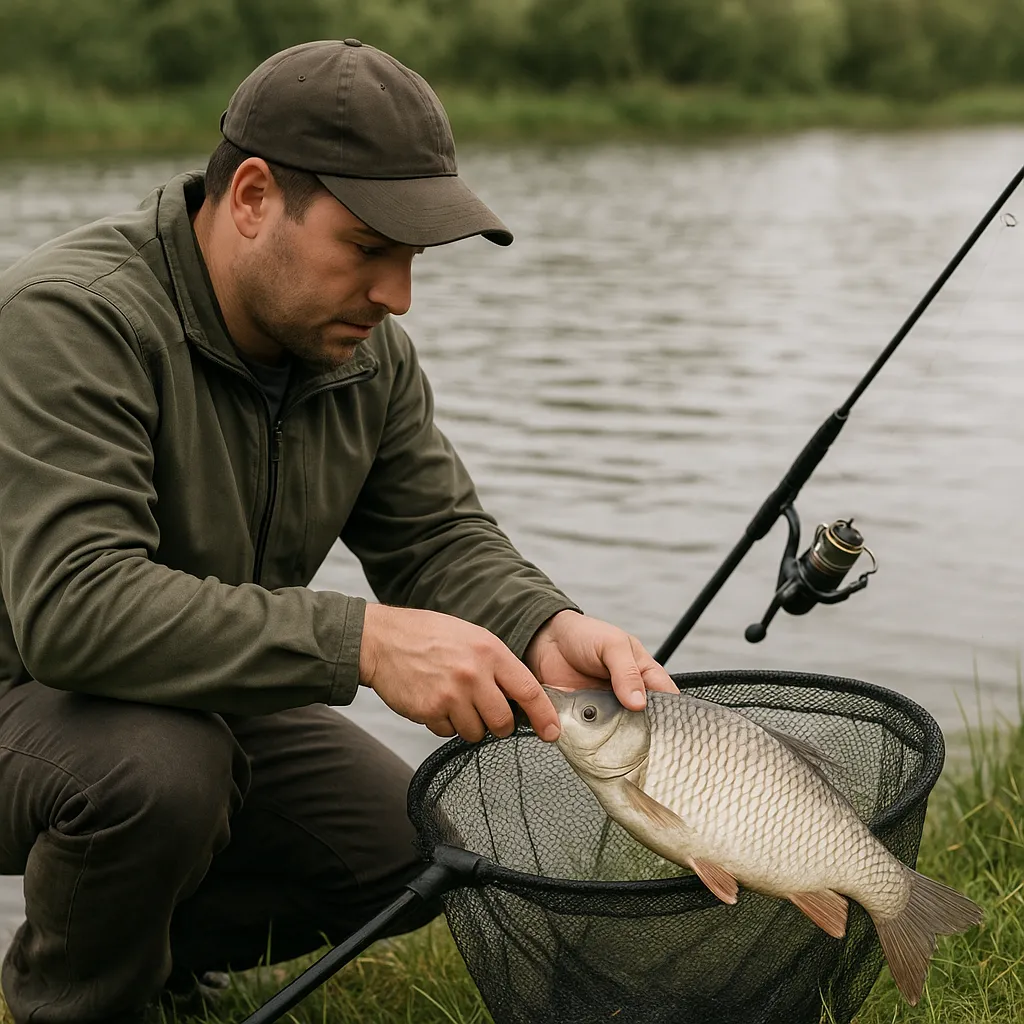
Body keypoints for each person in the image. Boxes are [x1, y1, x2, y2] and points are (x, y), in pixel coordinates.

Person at [0, 38, 678, 1024]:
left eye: (411, 258)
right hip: (31, 685)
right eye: (368, 250)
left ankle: (158, 961)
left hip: (186, 692)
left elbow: (436, 536)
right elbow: (75, 611)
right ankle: (72, 1004)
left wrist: (540, 623)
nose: (397, 295)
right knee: (159, 773)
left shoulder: (362, 353)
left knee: (409, 852)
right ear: (251, 199)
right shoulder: (72, 320)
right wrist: (361, 640)